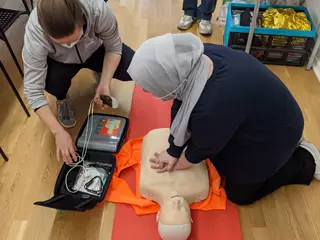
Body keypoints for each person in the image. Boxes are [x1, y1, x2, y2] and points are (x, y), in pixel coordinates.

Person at [127, 33, 320, 205]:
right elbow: (181, 101)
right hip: (266, 113)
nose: (145, 91)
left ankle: (305, 160)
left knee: (239, 194)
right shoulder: (196, 58)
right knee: (216, 157)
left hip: (277, 132)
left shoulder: (212, 106)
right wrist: (173, 149)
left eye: (148, 86)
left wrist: (178, 161)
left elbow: (200, 149)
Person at [22, 0, 134, 164]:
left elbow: (114, 48)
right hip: (60, 62)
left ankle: (101, 71)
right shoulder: (35, 32)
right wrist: (59, 133)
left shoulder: (98, 10)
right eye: (61, 43)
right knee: (51, 82)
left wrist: (105, 83)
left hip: (96, 49)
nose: (69, 45)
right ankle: (62, 98)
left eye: (74, 38)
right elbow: (33, 91)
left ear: (83, 19)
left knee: (131, 66)